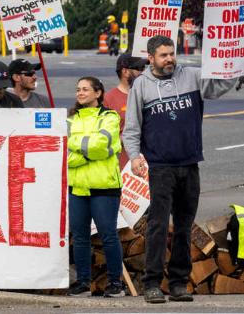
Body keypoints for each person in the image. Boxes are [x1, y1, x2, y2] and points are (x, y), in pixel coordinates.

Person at [123, 35, 236, 304]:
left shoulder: (192, 76)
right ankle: (151, 283)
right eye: (163, 55)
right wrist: (135, 156)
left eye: (171, 53)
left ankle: (177, 283)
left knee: (184, 228)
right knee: (158, 227)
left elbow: (216, 88)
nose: (170, 59)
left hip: (189, 163)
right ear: (150, 58)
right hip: (160, 167)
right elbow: (131, 128)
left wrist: (231, 69)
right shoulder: (141, 86)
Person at [66, 77, 124, 298]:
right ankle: (83, 283)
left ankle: (115, 283)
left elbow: (104, 146)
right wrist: (86, 153)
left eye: (85, 89)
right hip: (78, 187)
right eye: (78, 89)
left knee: (109, 235)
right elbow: (65, 154)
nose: (80, 93)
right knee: (79, 237)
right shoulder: (71, 119)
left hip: (104, 187)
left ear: (98, 93)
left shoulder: (110, 117)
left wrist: (77, 149)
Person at [102, 53, 147, 168]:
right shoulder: (109, 99)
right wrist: (131, 138)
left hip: (152, 163)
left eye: (144, 68)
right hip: (123, 166)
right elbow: (104, 136)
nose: (143, 72)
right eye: (139, 69)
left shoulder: (149, 94)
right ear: (125, 72)